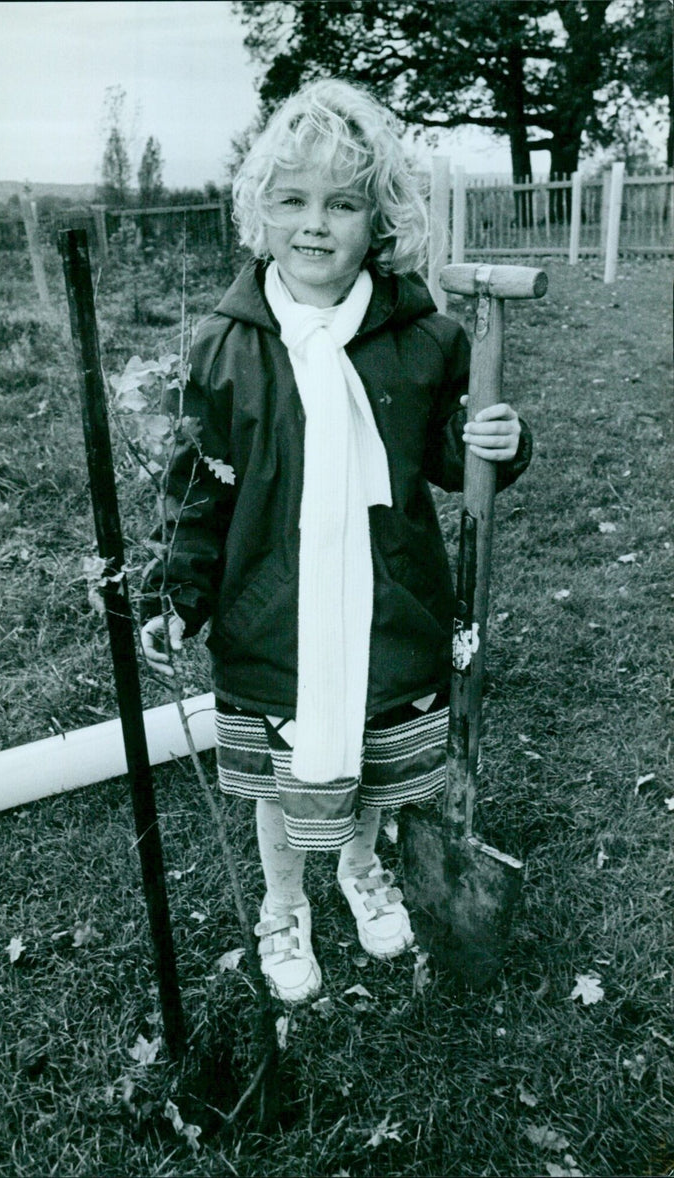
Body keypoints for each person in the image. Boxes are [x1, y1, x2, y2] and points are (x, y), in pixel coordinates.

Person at [140, 79, 531, 1005]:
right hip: (273, 615)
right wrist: (173, 593)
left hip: (387, 606)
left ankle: (362, 869)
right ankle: (285, 904)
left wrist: (495, 445)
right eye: (293, 201)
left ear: (378, 219)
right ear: (261, 215)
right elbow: (198, 492)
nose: (316, 225)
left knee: (370, 769)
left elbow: (448, 456)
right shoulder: (227, 348)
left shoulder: (425, 339)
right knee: (284, 784)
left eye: (342, 204)